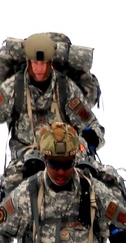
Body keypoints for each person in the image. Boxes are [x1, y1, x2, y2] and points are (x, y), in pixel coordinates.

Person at [0, 34, 104, 194]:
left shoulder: (66, 88)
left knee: (98, 186)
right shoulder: (14, 87)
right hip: (25, 157)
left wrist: (90, 139)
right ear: (28, 62)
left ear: (51, 63)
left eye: (43, 63)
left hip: (65, 156)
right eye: (35, 63)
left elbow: (90, 123)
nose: (39, 69)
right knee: (8, 191)